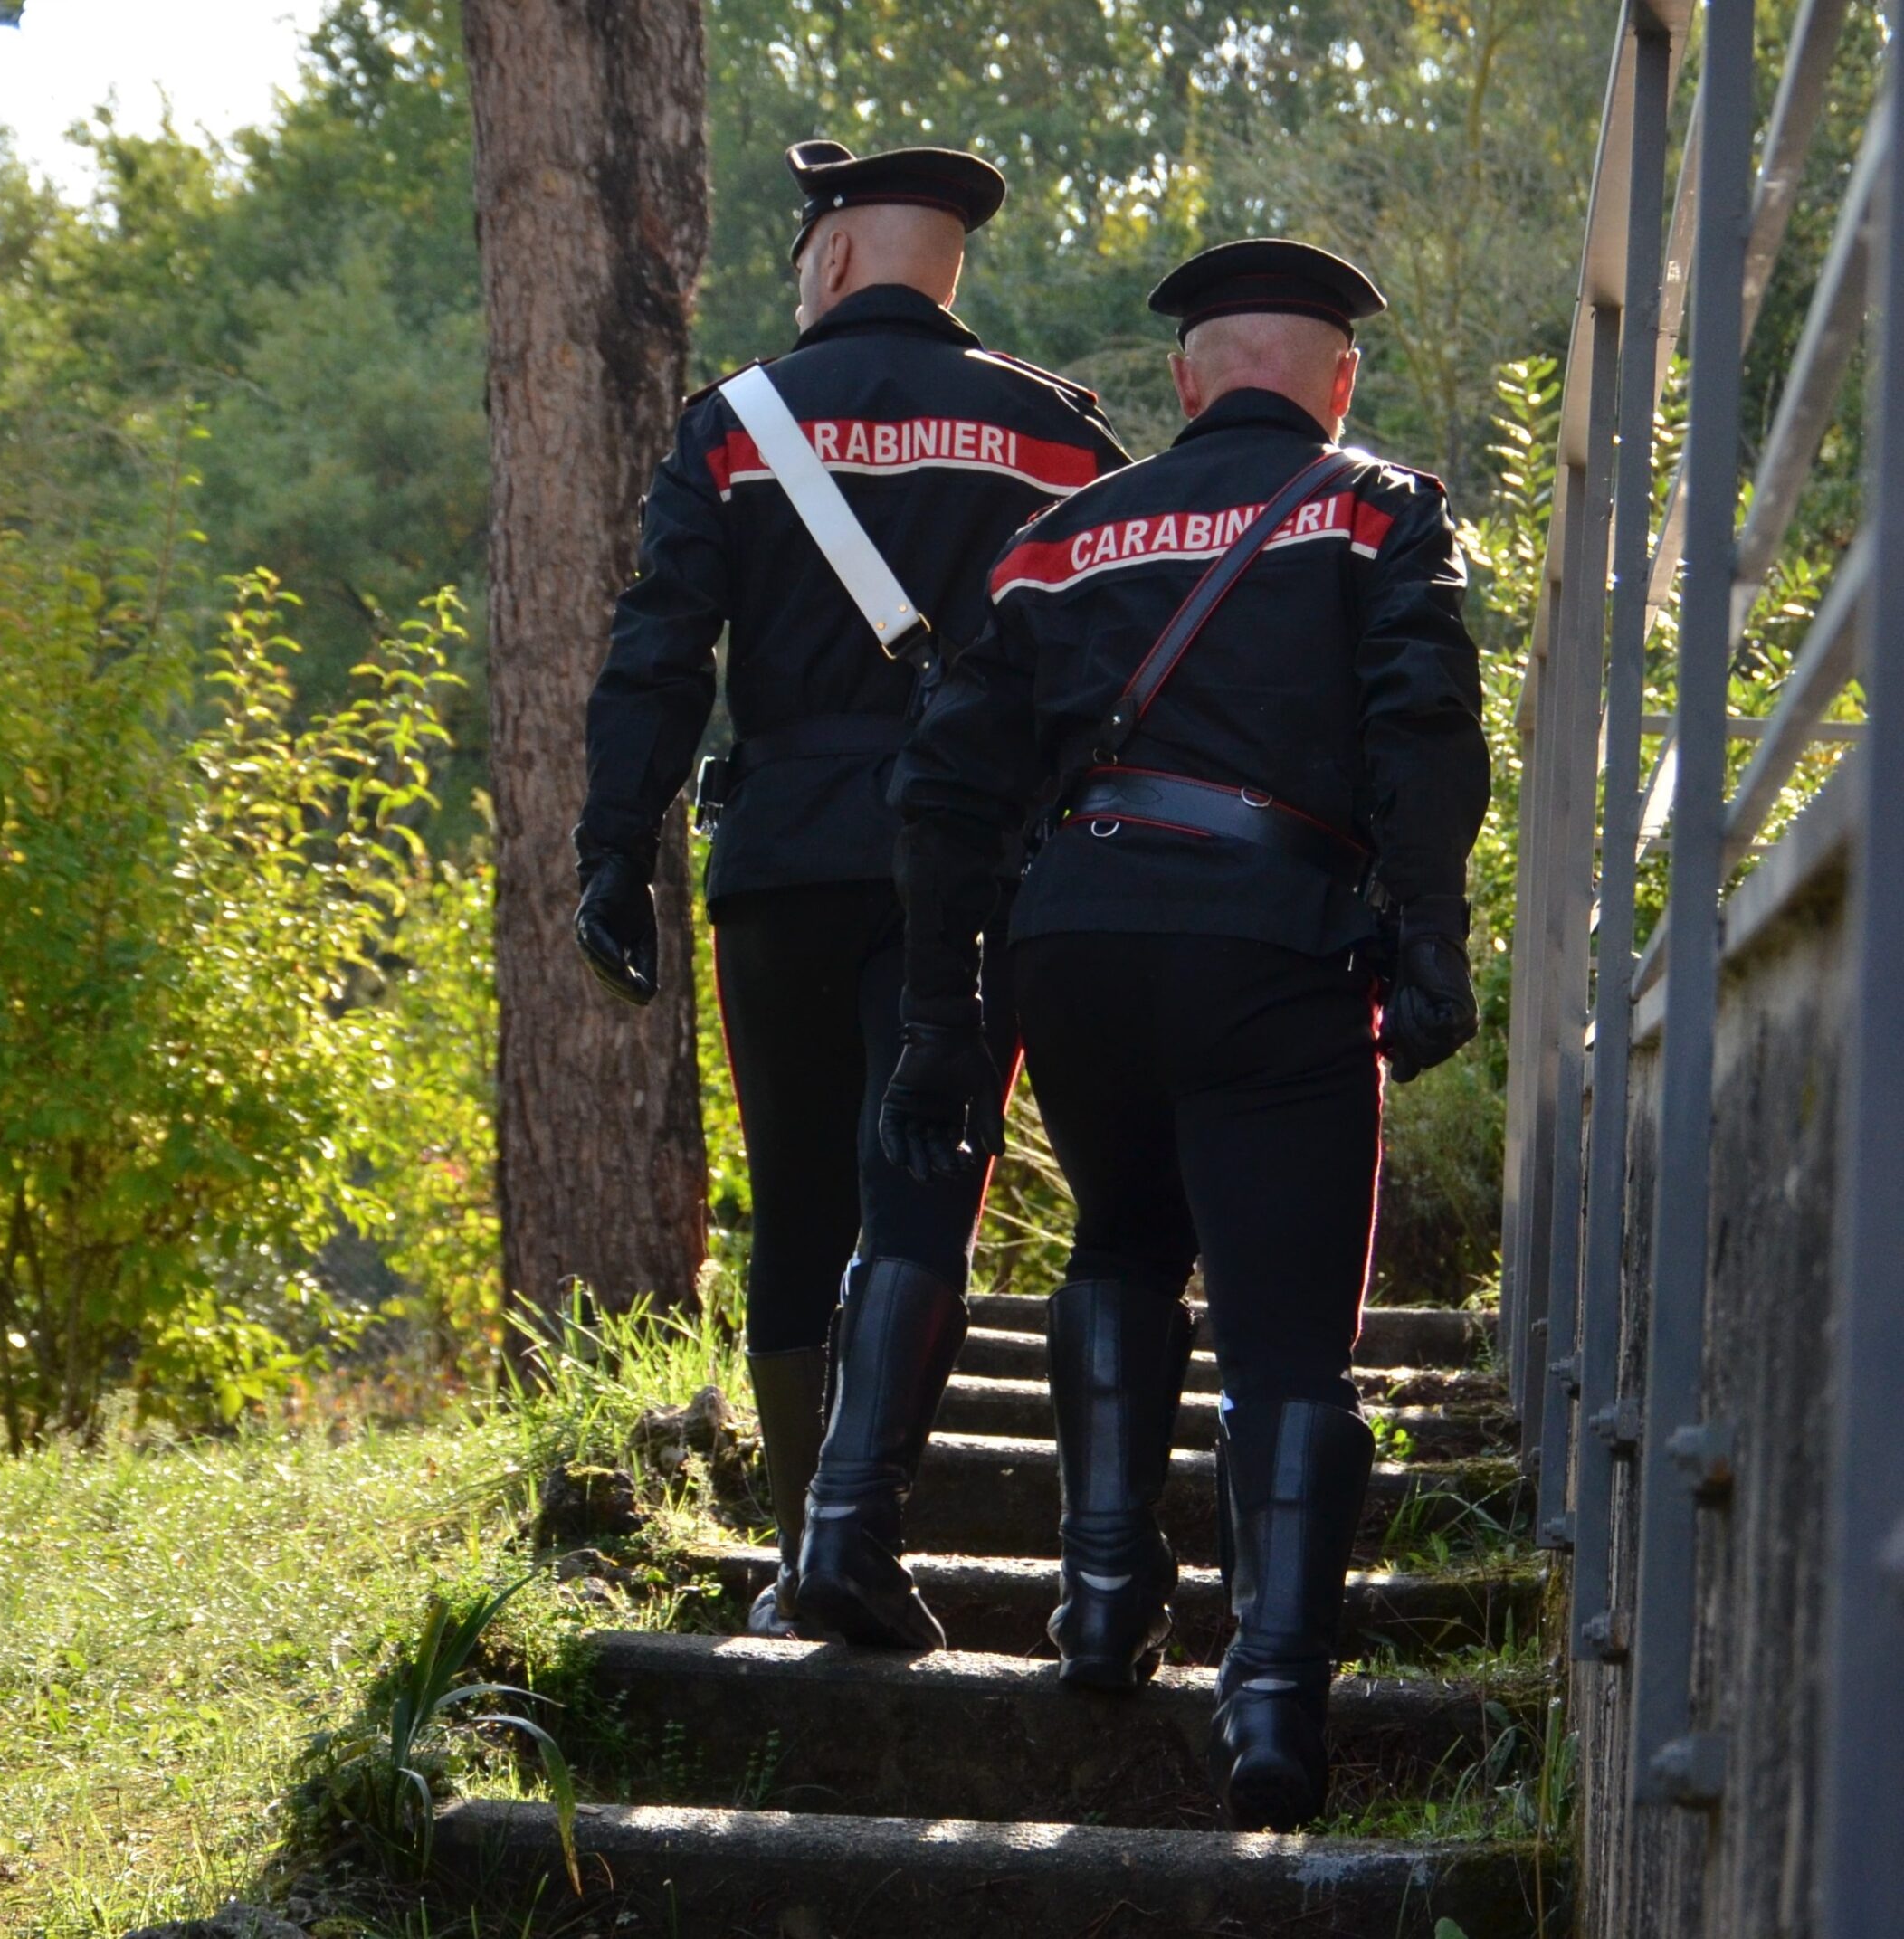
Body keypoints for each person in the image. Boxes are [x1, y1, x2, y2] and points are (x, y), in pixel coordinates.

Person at [878, 238, 1488, 1828]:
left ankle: (1100, 1604)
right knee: (1288, 1330)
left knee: (1123, 1237)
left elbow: (947, 787)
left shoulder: (1060, 536)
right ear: (1335, 379)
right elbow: (1423, 720)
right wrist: (1432, 936)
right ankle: (1276, 1703)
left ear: (1187, 379)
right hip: (1273, 940)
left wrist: (944, 1012)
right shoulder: (1377, 508)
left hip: (1074, 941)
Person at [573, 140, 1128, 1645]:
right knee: (923, 1191)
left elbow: (660, 651)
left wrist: (612, 849)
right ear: (953, 265)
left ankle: (789, 1550)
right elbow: (1118, 660)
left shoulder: (736, 423)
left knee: (801, 1200)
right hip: (972, 869)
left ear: (827, 258)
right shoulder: (1054, 437)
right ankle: (856, 1535)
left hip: (782, 860)